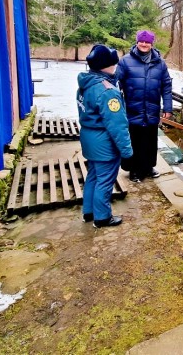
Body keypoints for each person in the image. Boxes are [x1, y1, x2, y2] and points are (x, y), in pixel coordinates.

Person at [76, 44, 133, 228]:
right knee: (105, 180)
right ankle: (102, 218)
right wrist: (127, 152)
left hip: (89, 139)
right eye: (113, 64)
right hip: (104, 144)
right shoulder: (108, 92)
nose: (115, 67)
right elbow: (118, 126)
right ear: (105, 66)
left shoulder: (86, 84)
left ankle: (89, 212)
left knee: (93, 176)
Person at [116, 29, 173, 182]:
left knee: (150, 140)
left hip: (152, 109)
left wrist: (167, 107)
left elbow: (166, 86)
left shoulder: (160, 63)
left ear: (151, 44)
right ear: (137, 42)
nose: (144, 44)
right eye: (142, 41)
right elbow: (116, 83)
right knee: (134, 140)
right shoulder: (125, 61)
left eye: (147, 42)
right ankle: (134, 170)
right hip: (132, 108)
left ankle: (148, 167)